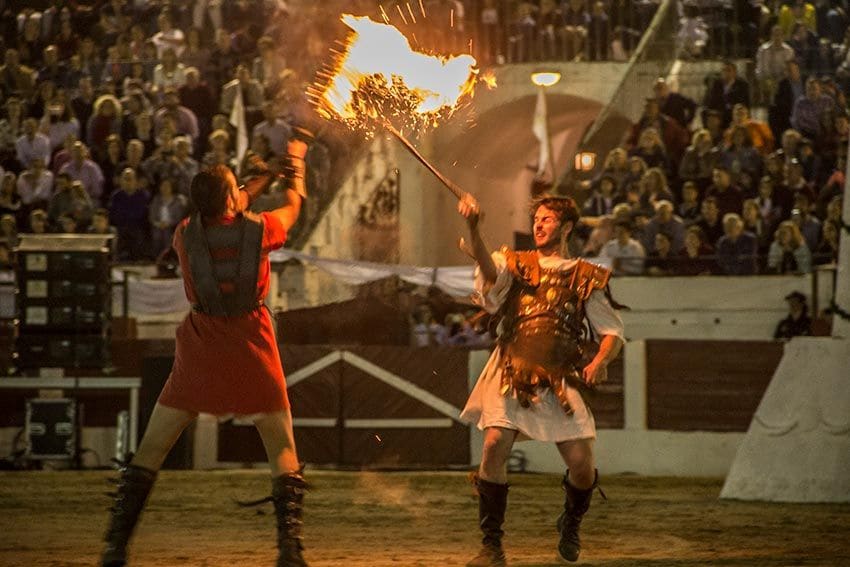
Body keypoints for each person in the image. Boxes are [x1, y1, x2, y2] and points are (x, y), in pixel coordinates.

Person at [101, 139, 311, 567]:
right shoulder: (261, 229)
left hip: (202, 345)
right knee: (282, 449)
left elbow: (228, 206)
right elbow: (292, 209)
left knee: (151, 450)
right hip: (251, 343)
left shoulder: (184, 234)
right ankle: (290, 552)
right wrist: (295, 170)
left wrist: (258, 179)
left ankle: (114, 548)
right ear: (232, 200)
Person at [457, 193, 624, 565]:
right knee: (494, 444)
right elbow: (489, 273)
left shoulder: (585, 275)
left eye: (548, 219)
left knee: (582, 466)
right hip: (511, 370)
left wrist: (599, 360)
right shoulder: (515, 263)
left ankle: (571, 522)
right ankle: (491, 546)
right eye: (537, 219)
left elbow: (612, 332)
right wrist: (474, 227)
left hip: (558, 378)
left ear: (566, 227)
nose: (539, 224)